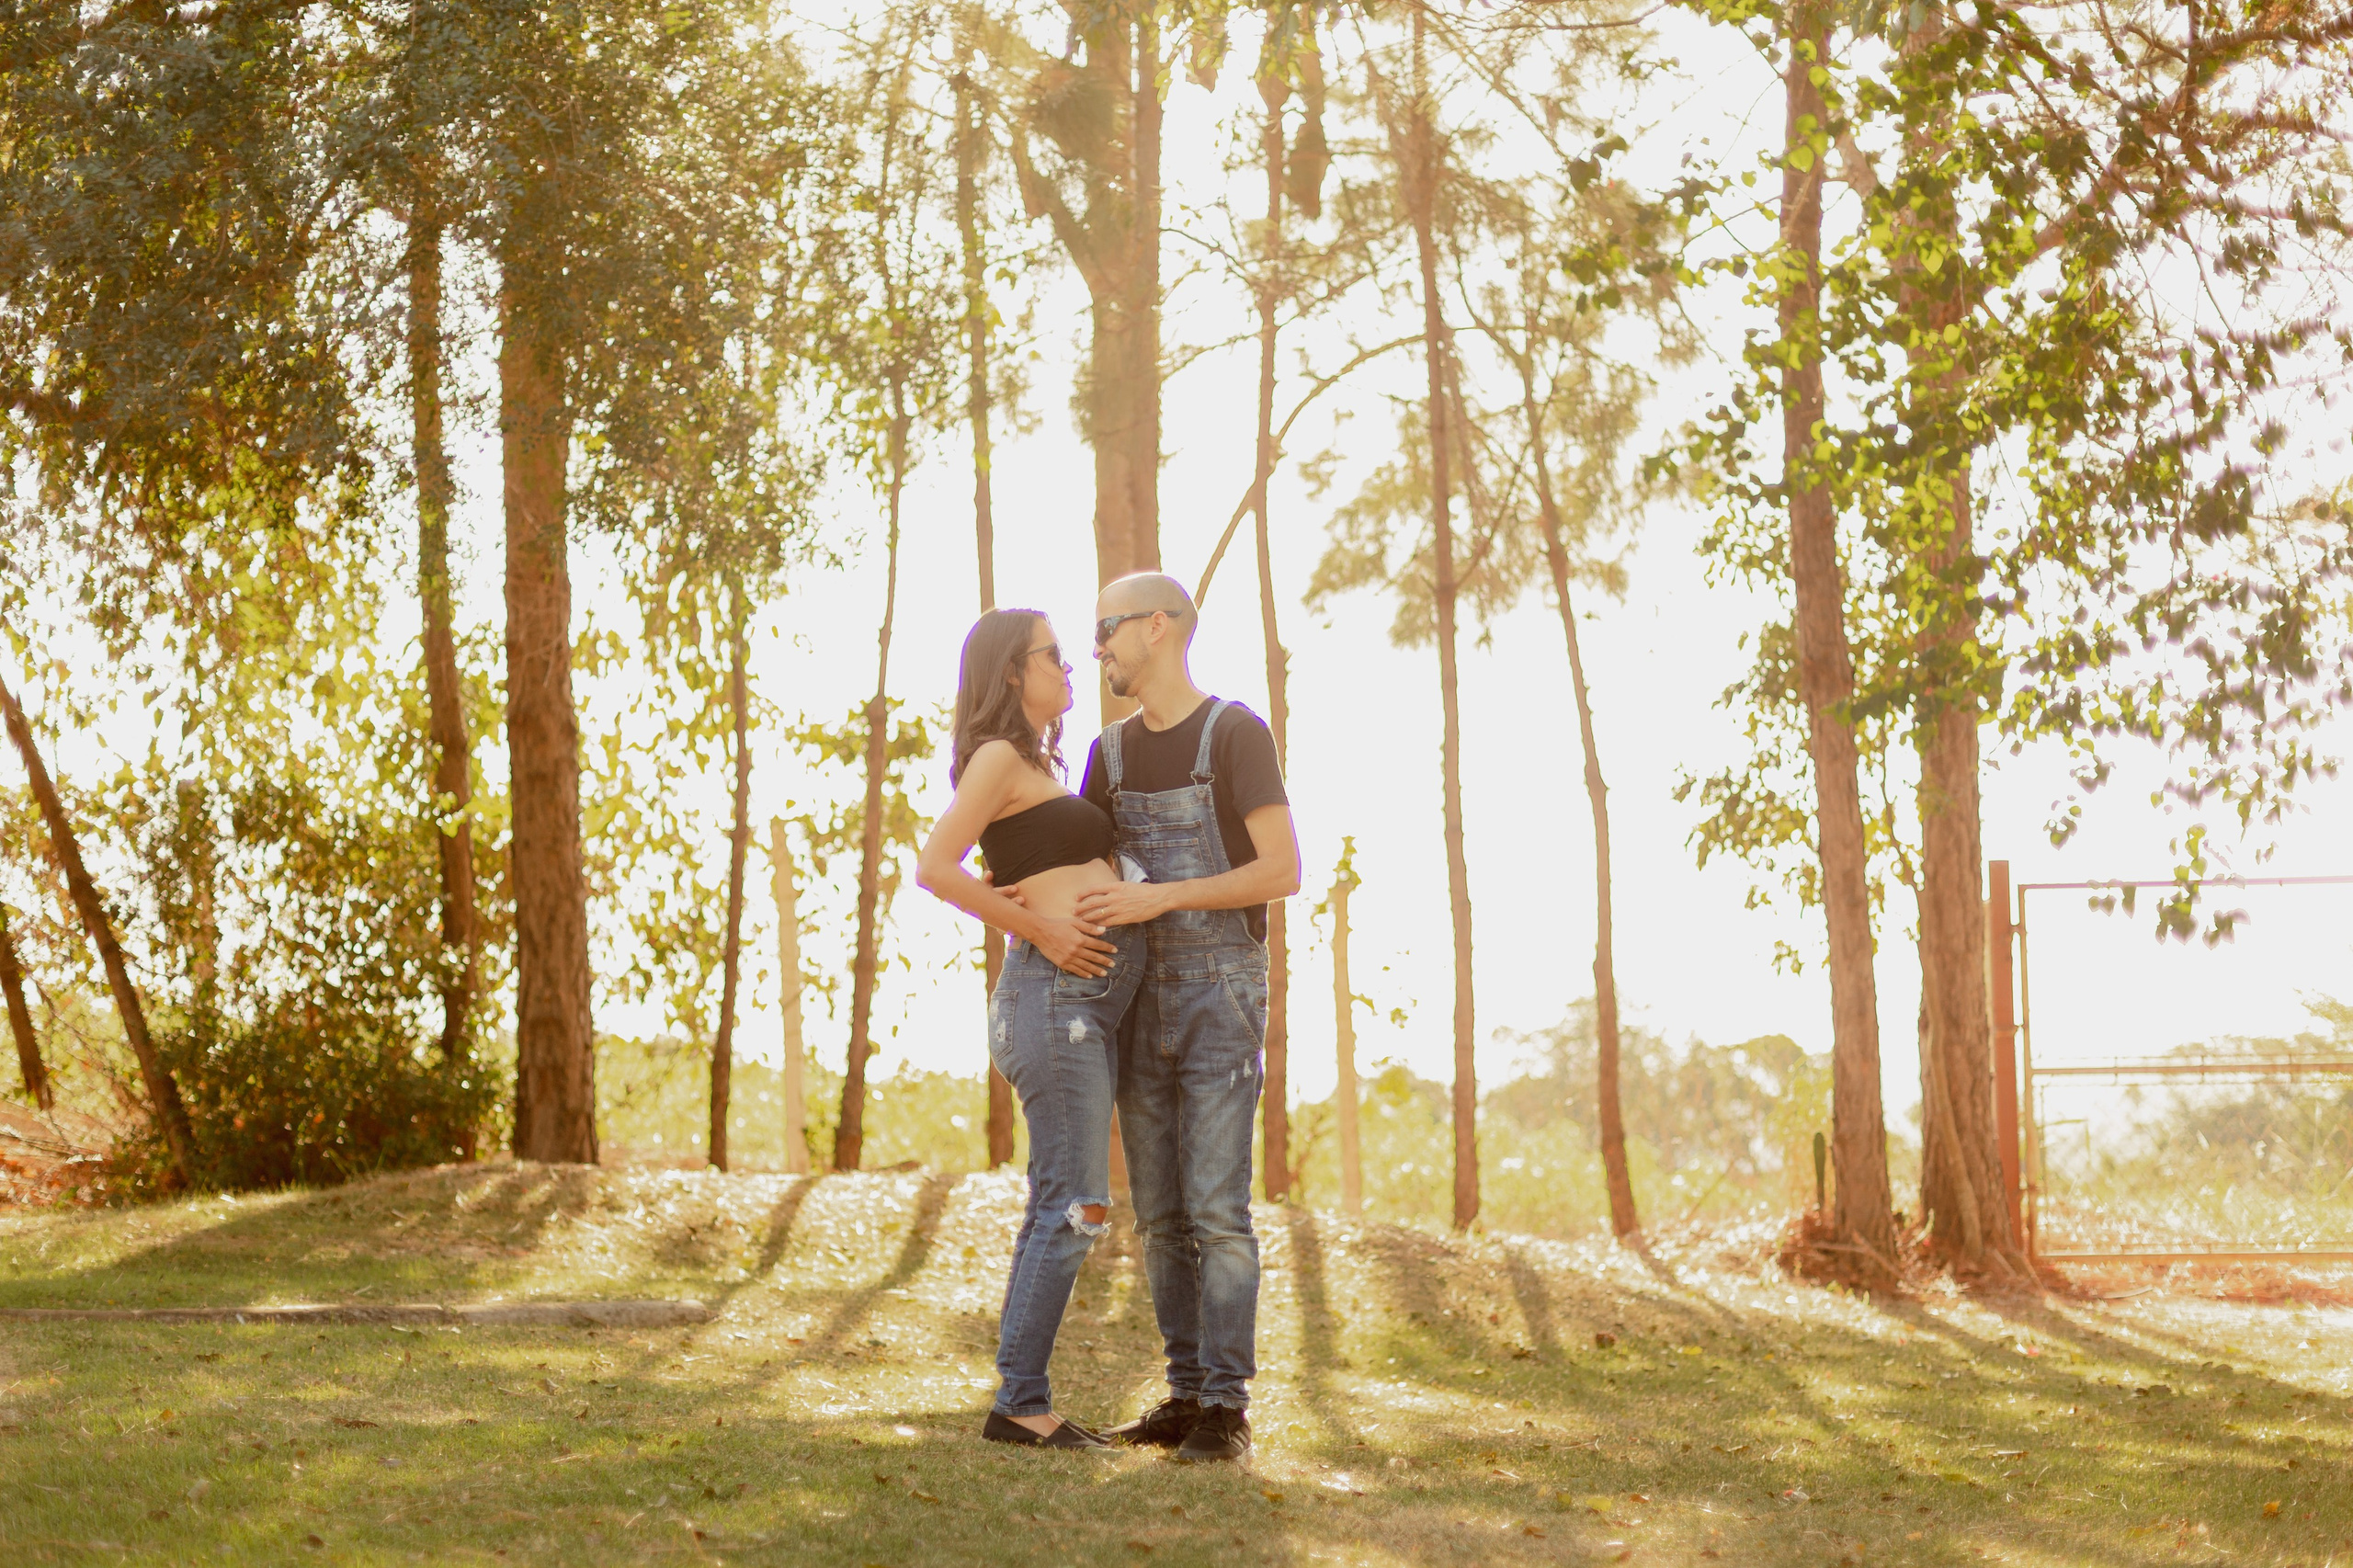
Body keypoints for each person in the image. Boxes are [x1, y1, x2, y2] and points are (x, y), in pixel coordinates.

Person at [1072, 573, 1300, 1463]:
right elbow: (1087, 878)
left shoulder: (1234, 732)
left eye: (1106, 628)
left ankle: (1228, 1411)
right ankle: (1182, 1395)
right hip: (1139, 999)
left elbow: (1280, 869)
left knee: (1217, 1209)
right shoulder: (1108, 754)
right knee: (1160, 1213)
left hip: (1219, 994)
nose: (1096, 646)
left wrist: (1156, 897)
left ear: (1157, 626)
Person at [915, 608, 1131, 1449]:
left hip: (1072, 1008)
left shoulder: (1039, 763)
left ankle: (1022, 1399)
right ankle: (1020, 1404)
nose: (1071, 666)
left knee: (1061, 1200)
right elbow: (936, 865)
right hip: (1049, 1001)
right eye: (1053, 655)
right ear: (1012, 671)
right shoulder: (1001, 757)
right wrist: (1039, 928)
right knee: (1077, 1205)